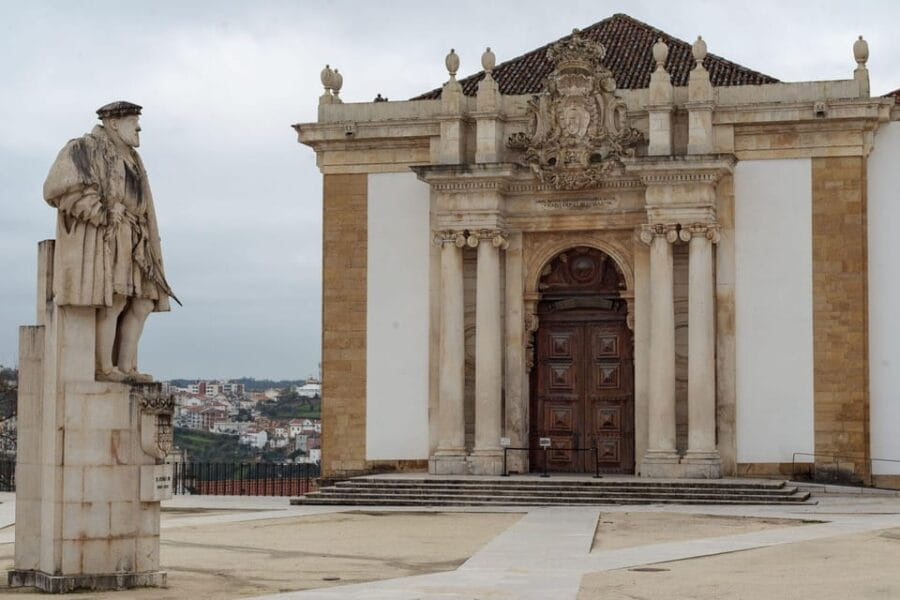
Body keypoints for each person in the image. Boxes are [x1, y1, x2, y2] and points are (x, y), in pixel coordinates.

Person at [43, 101, 178, 383]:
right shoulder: (85, 148)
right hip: (112, 233)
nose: (139, 127)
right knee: (114, 300)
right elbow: (60, 187)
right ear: (113, 123)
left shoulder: (131, 157)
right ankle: (106, 368)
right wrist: (101, 211)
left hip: (137, 236)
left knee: (143, 303)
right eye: (133, 121)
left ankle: (127, 367)